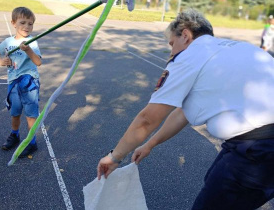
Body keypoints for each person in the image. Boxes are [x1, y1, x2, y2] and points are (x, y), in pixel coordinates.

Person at [97, 8, 274, 210]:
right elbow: (183, 113)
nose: (171, 51)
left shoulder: (189, 56)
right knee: (215, 180)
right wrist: (149, 145)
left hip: (256, 151)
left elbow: (147, 119)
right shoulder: (241, 48)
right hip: (253, 147)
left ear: (186, 35)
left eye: (172, 43)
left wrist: (114, 157)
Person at [0, 7, 42, 157]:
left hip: (29, 82)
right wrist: (0, 61)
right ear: (13, 23)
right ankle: (15, 135)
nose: (27, 27)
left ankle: (32, 142)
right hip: (13, 82)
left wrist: (28, 51)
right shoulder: (8, 41)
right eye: (23, 23)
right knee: (15, 112)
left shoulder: (32, 42)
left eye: (30, 24)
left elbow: (38, 62)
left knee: (31, 114)